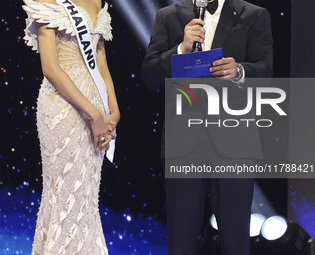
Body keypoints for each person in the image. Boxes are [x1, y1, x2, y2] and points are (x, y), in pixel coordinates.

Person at [142, 0, 273, 254]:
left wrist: (240, 72)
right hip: (184, 143)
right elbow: (150, 76)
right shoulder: (167, 16)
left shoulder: (254, 15)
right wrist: (180, 49)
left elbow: (266, 73)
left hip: (235, 141)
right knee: (181, 239)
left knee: (235, 239)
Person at [22, 0, 120, 254]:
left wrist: (113, 111)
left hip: (97, 107)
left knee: (86, 197)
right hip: (64, 108)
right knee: (65, 194)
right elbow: (51, 69)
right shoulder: (49, 1)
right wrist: (94, 115)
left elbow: (101, 62)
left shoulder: (98, 1)